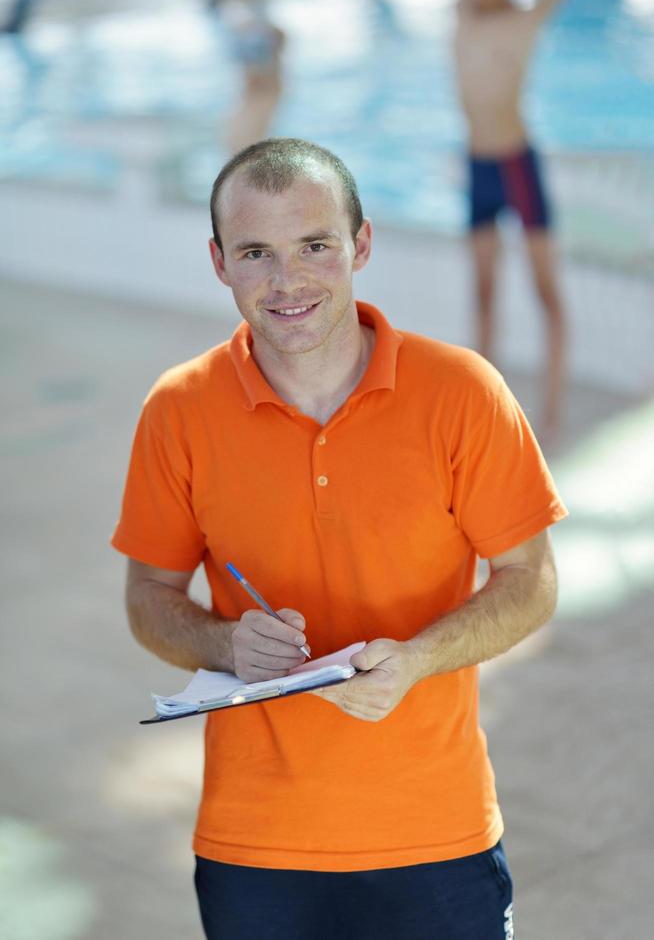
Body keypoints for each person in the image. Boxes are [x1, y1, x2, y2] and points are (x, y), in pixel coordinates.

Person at [112, 137, 567, 939]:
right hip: (253, 845)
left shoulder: (462, 393)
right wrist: (222, 643)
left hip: (437, 830)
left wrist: (418, 658)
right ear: (220, 262)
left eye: (314, 246)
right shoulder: (177, 409)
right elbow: (148, 599)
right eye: (257, 253)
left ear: (360, 243)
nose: (288, 282)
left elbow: (530, 578)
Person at [454, 0, 581, 443]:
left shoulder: (522, 22)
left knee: (545, 292)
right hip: (477, 168)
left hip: (515, 167)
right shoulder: (462, 16)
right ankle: (483, 405)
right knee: (484, 293)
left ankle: (551, 410)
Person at [207, 0, 285, 154]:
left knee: (257, 95)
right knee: (261, 94)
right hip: (250, 29)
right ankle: (245, 155)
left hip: (247, 27)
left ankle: (244, 154)